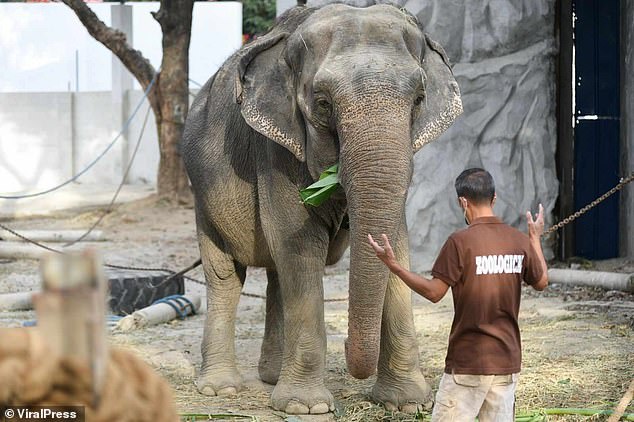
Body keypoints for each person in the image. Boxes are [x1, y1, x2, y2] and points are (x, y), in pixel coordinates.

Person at [368, 168, 548, 422]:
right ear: (494, 199)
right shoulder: (518, 240)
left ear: (462, 202)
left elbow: (434, 293)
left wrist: (394, 266)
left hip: (468, 363)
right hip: (506, 363)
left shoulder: (460, 242)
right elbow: (541, 282)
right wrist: (534, 239)